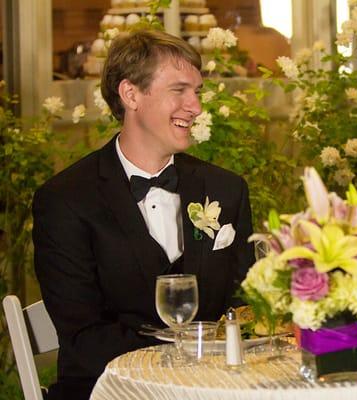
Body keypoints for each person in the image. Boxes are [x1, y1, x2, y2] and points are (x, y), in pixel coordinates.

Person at [33, 30, 255, 400]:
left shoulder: (226, 190)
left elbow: (244, 306)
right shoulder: (65, 200)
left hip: (215, 389)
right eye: (179, 90)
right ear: (131, 94)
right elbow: (84, 339)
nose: (196, 106)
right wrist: (180, 361)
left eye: (197, 91)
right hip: (105, 390)